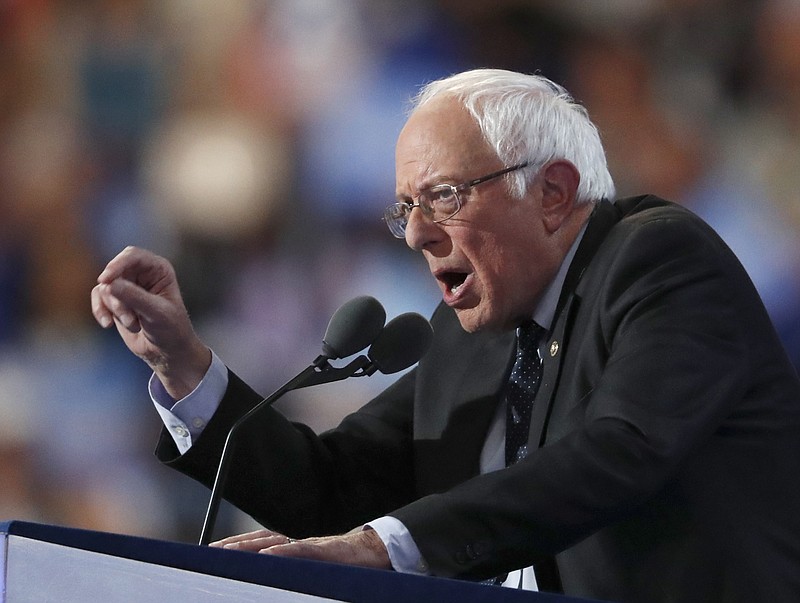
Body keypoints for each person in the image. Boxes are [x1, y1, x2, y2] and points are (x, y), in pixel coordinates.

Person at [91, 69, 800, 602]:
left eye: (444, 196)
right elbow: (331, 490)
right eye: (405, 209)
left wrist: (382, 546)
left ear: (552, 192)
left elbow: (616, 452)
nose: (419, 234)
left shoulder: (660, 261)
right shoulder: (472, 333)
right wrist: (184, 364)